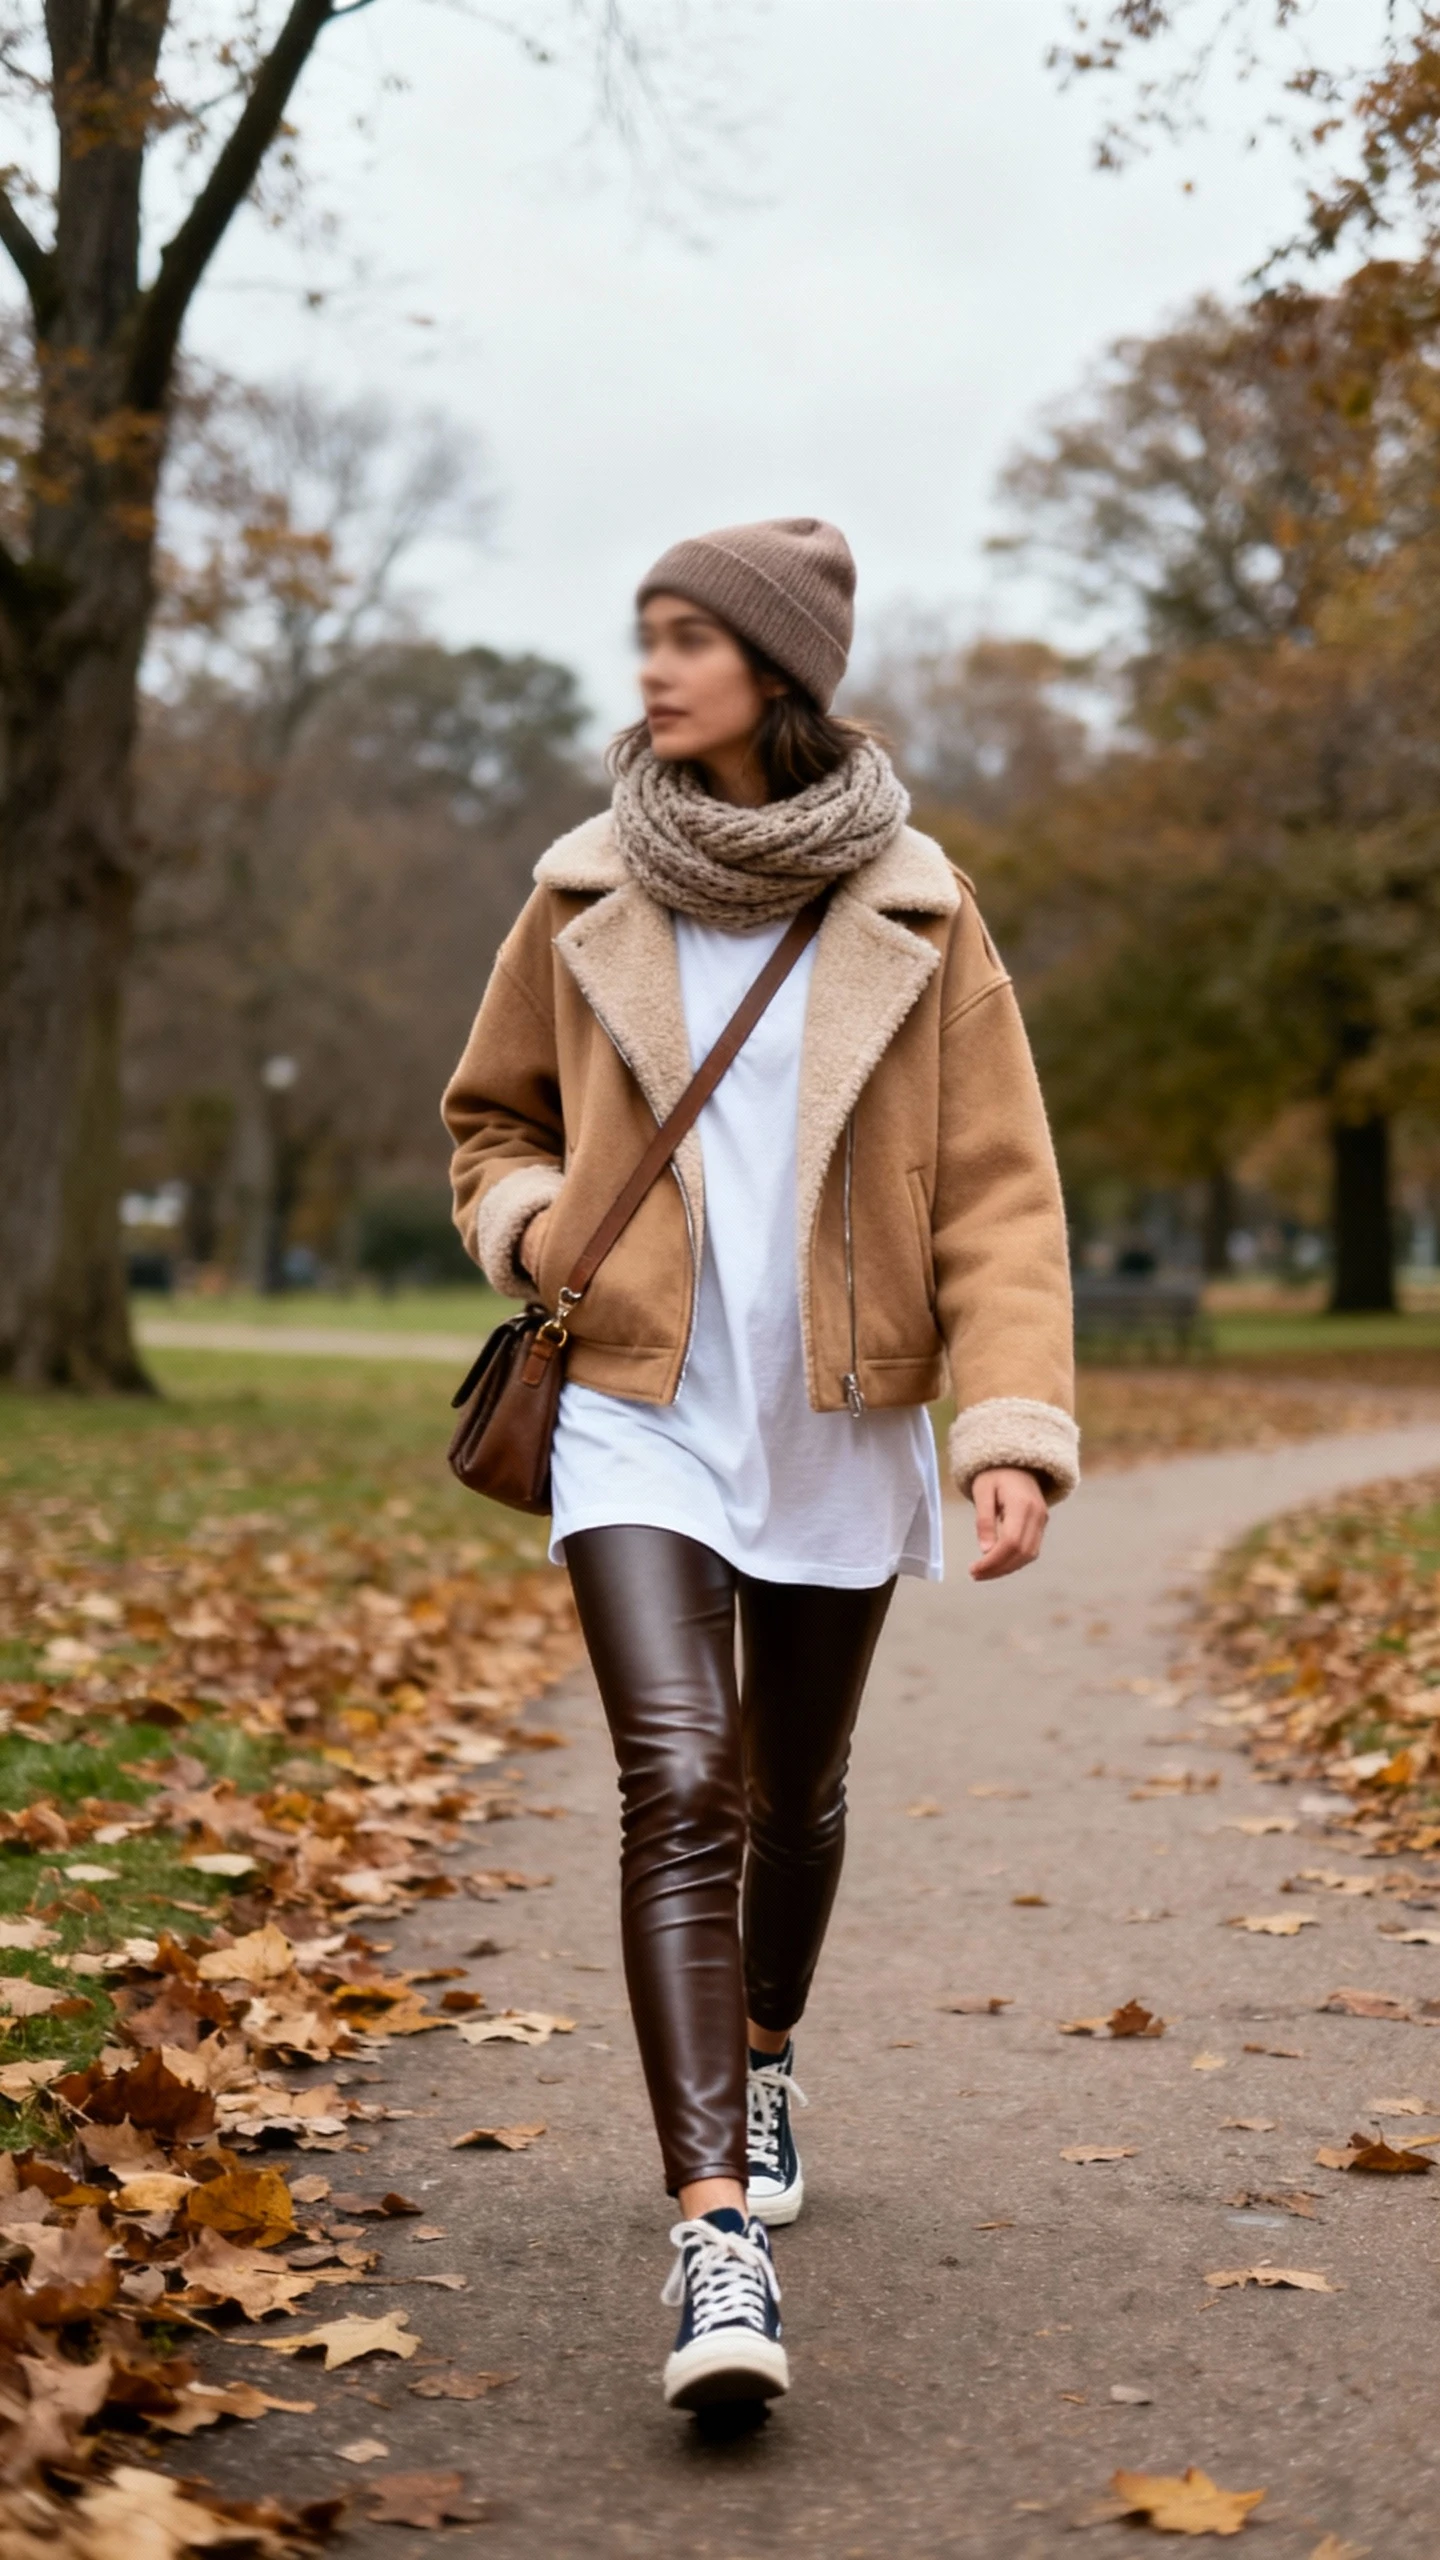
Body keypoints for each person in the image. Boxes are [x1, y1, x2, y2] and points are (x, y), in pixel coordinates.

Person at [442, 517, 1078, 2415]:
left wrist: (1011, 1427)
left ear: (780, 670)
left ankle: (768, 2050)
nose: (651, 668)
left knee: (797, 1792)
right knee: (682, 1778)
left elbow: (997, 1191)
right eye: (640, 631)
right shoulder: (577, 892)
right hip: (633, 1404)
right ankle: (711, 2227)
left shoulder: (918, 906)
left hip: (830, 1409)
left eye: (689, 637)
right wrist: (540, 1223)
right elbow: (489, 1121)